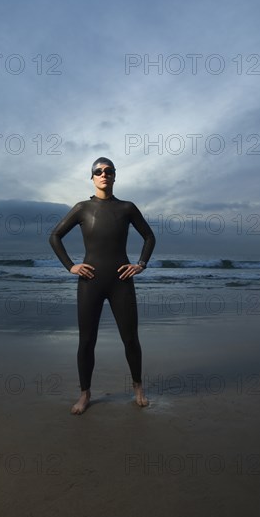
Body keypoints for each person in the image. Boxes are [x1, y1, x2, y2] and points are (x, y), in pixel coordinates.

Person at [49, 157, 156, 414]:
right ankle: (85, 394)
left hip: (122, 282)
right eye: (98, 171)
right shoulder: (82, 208)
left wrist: (140, 264)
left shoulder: (127, 208)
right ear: (92, 177)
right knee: (86, 341)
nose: (104, 174)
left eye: (108, 171)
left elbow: (149, 236)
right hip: (90, 282)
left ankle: (138, 388)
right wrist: (70, 266)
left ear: (115, 176)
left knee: (130, 339)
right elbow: (54, 236)